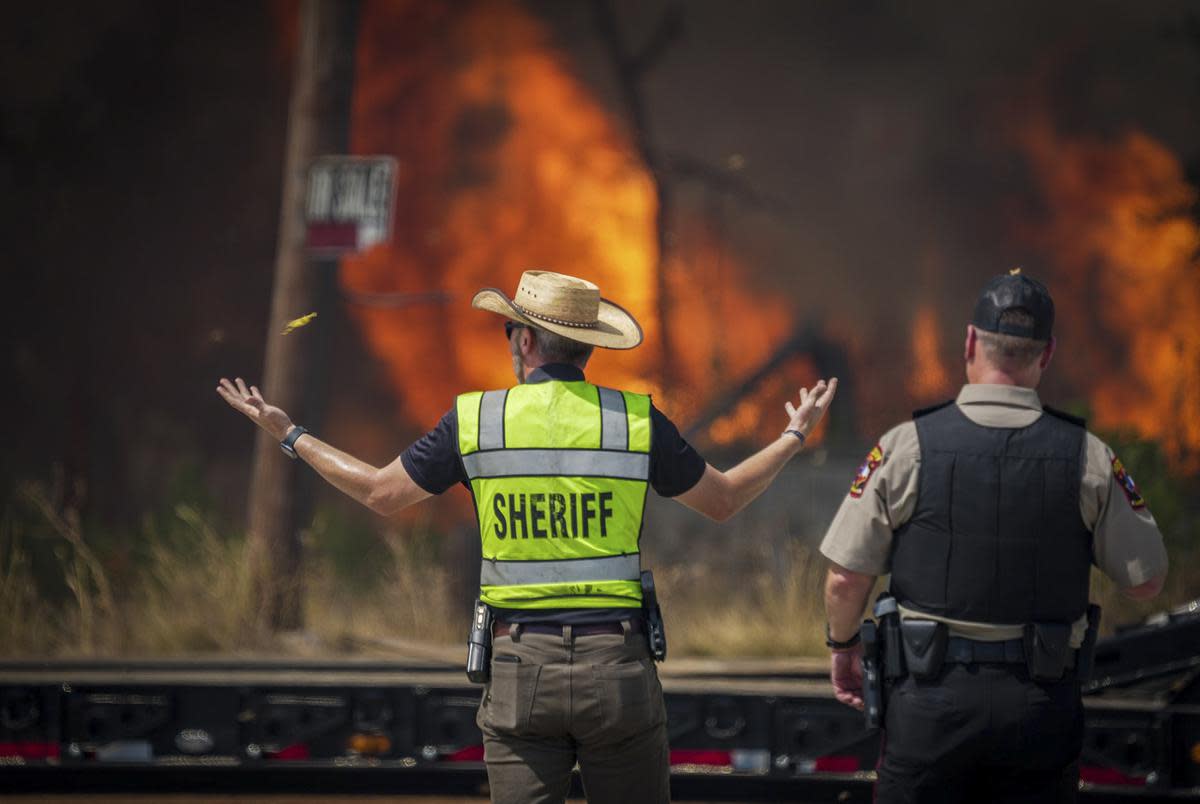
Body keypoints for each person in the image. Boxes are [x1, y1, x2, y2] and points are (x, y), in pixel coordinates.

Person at [217, 269, 838, 804]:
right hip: (617, 671)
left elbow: (381, 493)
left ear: (525, 339)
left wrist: (289, 434)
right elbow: (725, 500)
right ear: (587, 347)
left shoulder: (475, 420)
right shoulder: (635, 421)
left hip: (519, 671)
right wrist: (792, 437)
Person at [818, 271, 1168, 804]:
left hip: (927, 705)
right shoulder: (1088, 457)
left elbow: (846, 579)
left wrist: (843, 646)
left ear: (969, 342)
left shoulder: (907, 446)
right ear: (1046, 354)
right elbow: (1147, 582)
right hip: (1041, 708)